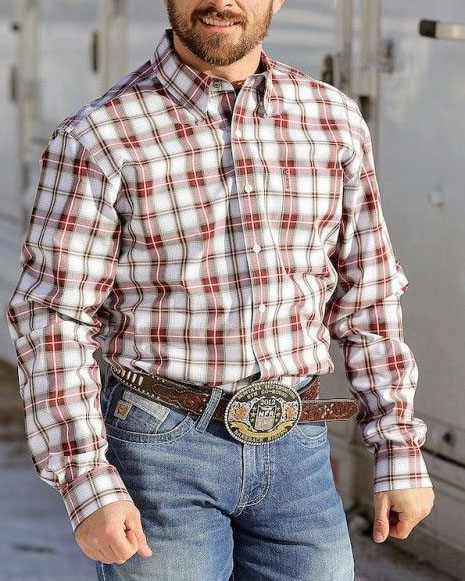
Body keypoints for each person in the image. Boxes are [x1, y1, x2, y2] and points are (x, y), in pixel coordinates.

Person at [5, 0, 435, 579]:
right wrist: (86, 481)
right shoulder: (99, 136)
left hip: (298, 445)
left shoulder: (333, 118)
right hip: (157, 446)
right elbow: (53, 317)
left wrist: (398, 447)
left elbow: (369, 295)